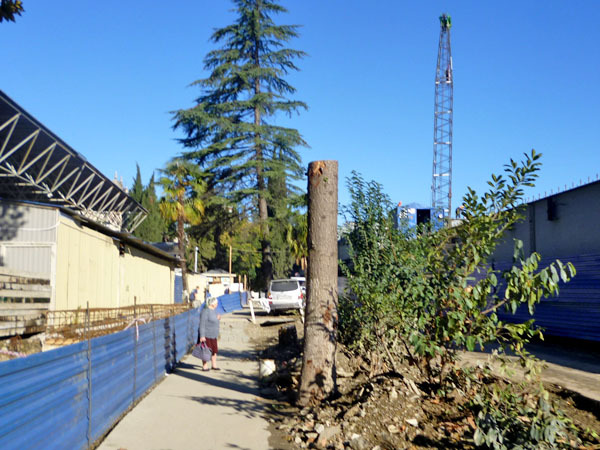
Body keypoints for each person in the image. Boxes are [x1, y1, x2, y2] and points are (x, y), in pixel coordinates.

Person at [198, 296, 221, 371]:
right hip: (206, 335)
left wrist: (218, 318)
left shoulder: (214, 311)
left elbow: (214, 320)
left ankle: (214, 365)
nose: (217, 304)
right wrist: (202, 336)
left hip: (214, 335)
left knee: (214, 351)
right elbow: (202, 324)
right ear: (212, 304)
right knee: (205, 351)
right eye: (216, 303)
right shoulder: (205, 311)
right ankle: (205, 366)